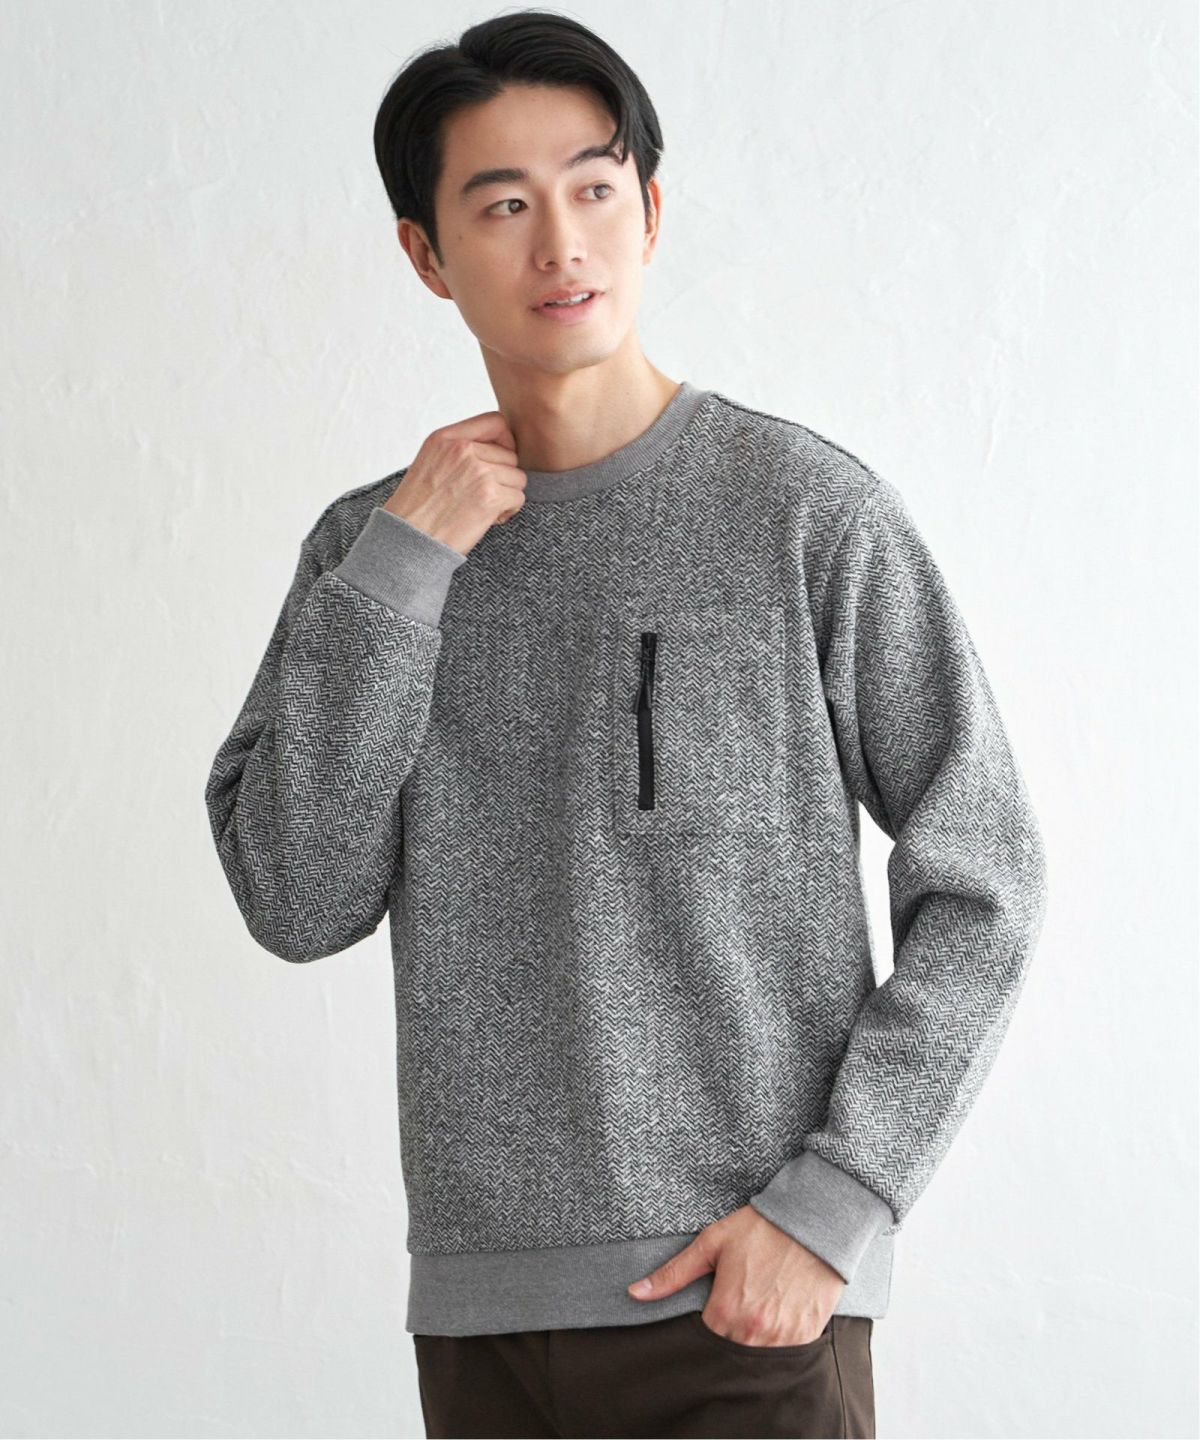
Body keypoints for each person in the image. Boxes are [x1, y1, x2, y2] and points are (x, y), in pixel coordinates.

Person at [203, 10, 1048, 1437]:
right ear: (425, 254)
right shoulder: (371, 554)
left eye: (594, 189)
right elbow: (297, 898)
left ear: (650, 213)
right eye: (502, 206)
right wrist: (404, 573)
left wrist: (838, 1201)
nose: (561, 245)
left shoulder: (802, 513)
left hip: (744, 1314)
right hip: (485, 1326)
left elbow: (988, 873)